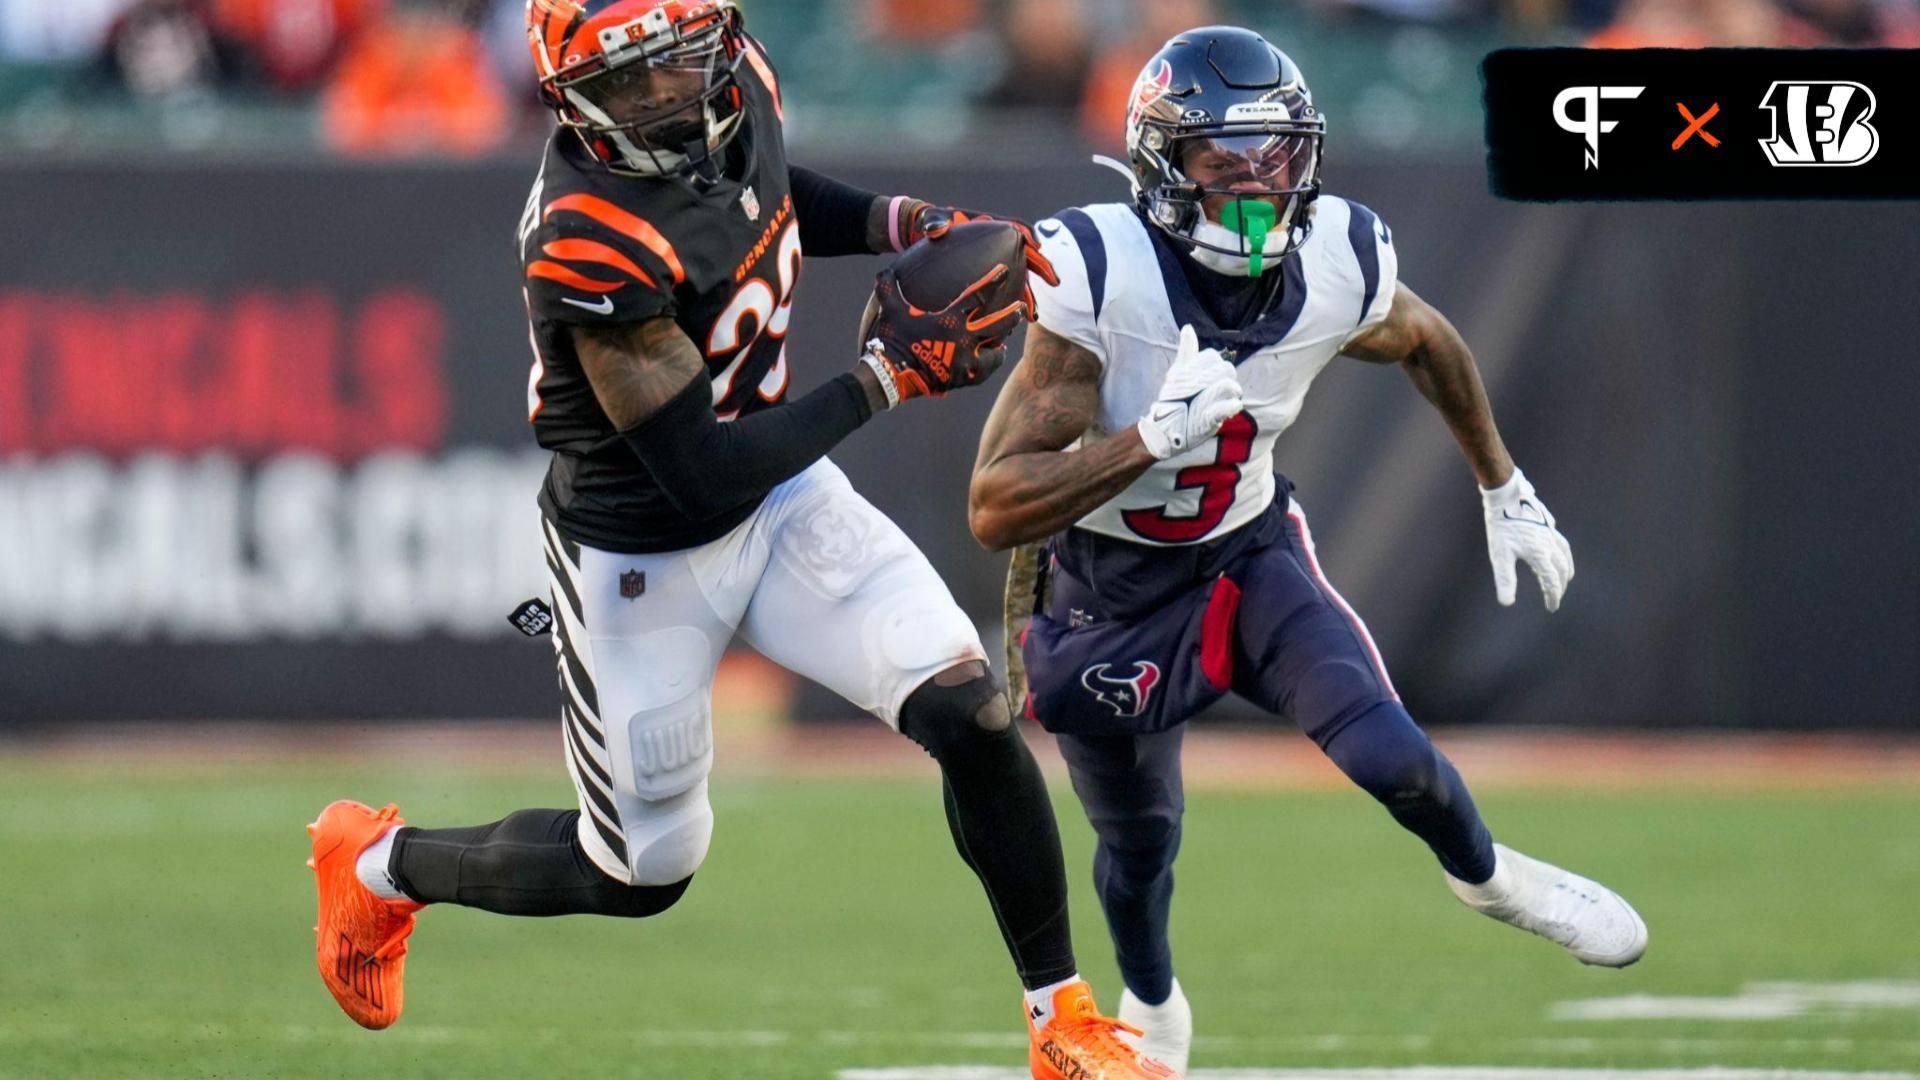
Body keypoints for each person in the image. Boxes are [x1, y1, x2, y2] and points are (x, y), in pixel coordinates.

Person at [305, 4, 1161, 1077]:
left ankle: (1062, 1023)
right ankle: (379, 865)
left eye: (680, 63)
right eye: (633, 81)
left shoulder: (736, 80)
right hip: (641, 554)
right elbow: (698, 468)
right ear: (571, 97)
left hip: (781, 496)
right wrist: (887, 377)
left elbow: (767, 196)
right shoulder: (587, 231)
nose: (666, 94)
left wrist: (906, 223)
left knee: (970, 708)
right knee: (641, 872)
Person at [970, 25, 1648, 1076]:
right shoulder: (1103, 275)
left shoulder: (1336, 255)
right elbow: (996, 504)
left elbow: (1426, 338)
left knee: (1394, 758)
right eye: (1220, 161)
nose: (1255, 185)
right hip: (1103, 591)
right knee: (1141, 843)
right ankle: (1155, 1006)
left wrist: (1501, 483)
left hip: (1246, 561)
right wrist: (1147, 438)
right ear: (1158, 168)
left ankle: (1491, 877)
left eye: (1276, 157)